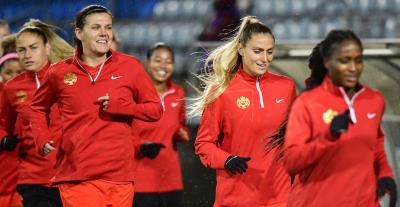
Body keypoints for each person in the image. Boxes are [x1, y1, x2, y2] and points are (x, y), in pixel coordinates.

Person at [30, 5, 163, 207]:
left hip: (120, 176)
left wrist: (123, 107)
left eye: (108, 28)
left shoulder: (131, 66)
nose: (104, 33)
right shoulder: (59, 72)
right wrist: (41, 136)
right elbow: (37, 107)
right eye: (96, 27)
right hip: (77, 176)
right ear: (79, 33)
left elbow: (155, 110)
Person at [282, 29, 397, 207]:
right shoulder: (306, 104)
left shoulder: (372, 100)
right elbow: (292, 161)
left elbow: (375, 144)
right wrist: (328, 137)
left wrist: (384, 174)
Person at [193, 16, 296, 207]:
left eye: (270, 52)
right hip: (235, 199)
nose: (265, 59)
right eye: (257, 51)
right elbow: (204, 144)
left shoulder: (287, 87)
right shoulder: (221, 91)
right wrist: (227, 159)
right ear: (241, 49)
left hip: (278, 198)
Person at [0, 19, 74, 207]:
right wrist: (3, 139)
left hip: (72, 175)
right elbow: (2, 123)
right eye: (22, 50)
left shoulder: (69, 77)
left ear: (47, 48)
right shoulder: (12, 88)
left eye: (33, 48)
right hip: (34, 178)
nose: (27, 55)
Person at [132, 42, 190, 207]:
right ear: (147, 62)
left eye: (169, 61)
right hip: (140, 181)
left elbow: (180, 125)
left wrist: (182, 133)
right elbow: (121, 136)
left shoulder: (178, 93)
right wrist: (141, 146)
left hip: (171, 180)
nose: (163, 65)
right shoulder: (133, 94)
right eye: (158, 60)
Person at [0, 34, 23, 207]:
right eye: (8, 72)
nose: (14, 77)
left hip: (24, 176)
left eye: (19, 72)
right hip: (4, 168)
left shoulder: (36, 93)